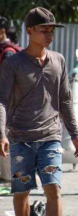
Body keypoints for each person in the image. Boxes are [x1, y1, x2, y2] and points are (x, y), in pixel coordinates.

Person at [0, 7, 78, 216]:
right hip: (20, 139)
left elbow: (65, 101)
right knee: (22, 191)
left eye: (51, 30)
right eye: (44, 30)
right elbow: (2, 101)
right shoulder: (13, 63)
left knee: (54, 188)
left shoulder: (58, 61)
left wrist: (75, 134)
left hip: (50, 137)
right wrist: (1, 133)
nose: (49, 35)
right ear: (29, 31)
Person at [0, 17, 21, 183]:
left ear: (2, 32)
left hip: (7, 103)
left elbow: (9, 82)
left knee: (5, 137)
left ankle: (8, 178)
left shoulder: (8, 52)